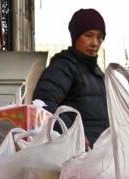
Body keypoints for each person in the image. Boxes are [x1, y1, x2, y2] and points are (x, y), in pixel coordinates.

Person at [33, 8, 108, 147]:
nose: (95, 43)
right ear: (75, 37)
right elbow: (43, 104)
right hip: (75, 157)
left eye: (99, 37)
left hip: (101, 157)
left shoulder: (99, 74)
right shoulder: (63, 67)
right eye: (89, 35)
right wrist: (72, 133)